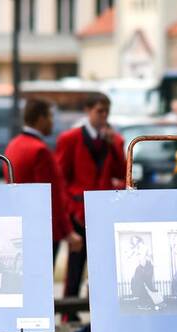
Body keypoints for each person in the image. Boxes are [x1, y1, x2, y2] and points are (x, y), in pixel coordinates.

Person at [57, 93, 126, 299]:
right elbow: (62, 177)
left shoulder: (115, 140)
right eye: (99, 111)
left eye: (107, 112)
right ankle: (69, 309)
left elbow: (121, 172)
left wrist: (113, 146)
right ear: (88, 111)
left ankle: (98, 305)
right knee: (75, 264)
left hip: (103, 209)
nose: (104, 116)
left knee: (102, 264)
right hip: (78, 209)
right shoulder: (70, 138)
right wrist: (69, 207)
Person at [4, 98, 82, 257]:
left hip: (22, 224)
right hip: (44, 229)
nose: (52, 122)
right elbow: (52, 196)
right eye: (50, 116)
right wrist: (68, 232)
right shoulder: (40, 150)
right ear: (41, 118)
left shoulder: (13, 145)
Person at [127, 237, 161, 310]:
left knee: (147, 285)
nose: (134, 241)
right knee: (139, 284)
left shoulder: (144, 247)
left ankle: (155, 302)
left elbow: (145, 257)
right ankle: (145, 303)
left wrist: (150, 264)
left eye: (135, 240)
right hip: (141, 267)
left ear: (138, 240)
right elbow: (130, 256)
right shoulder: (136, 248)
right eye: (132, 240)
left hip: (146, 266)